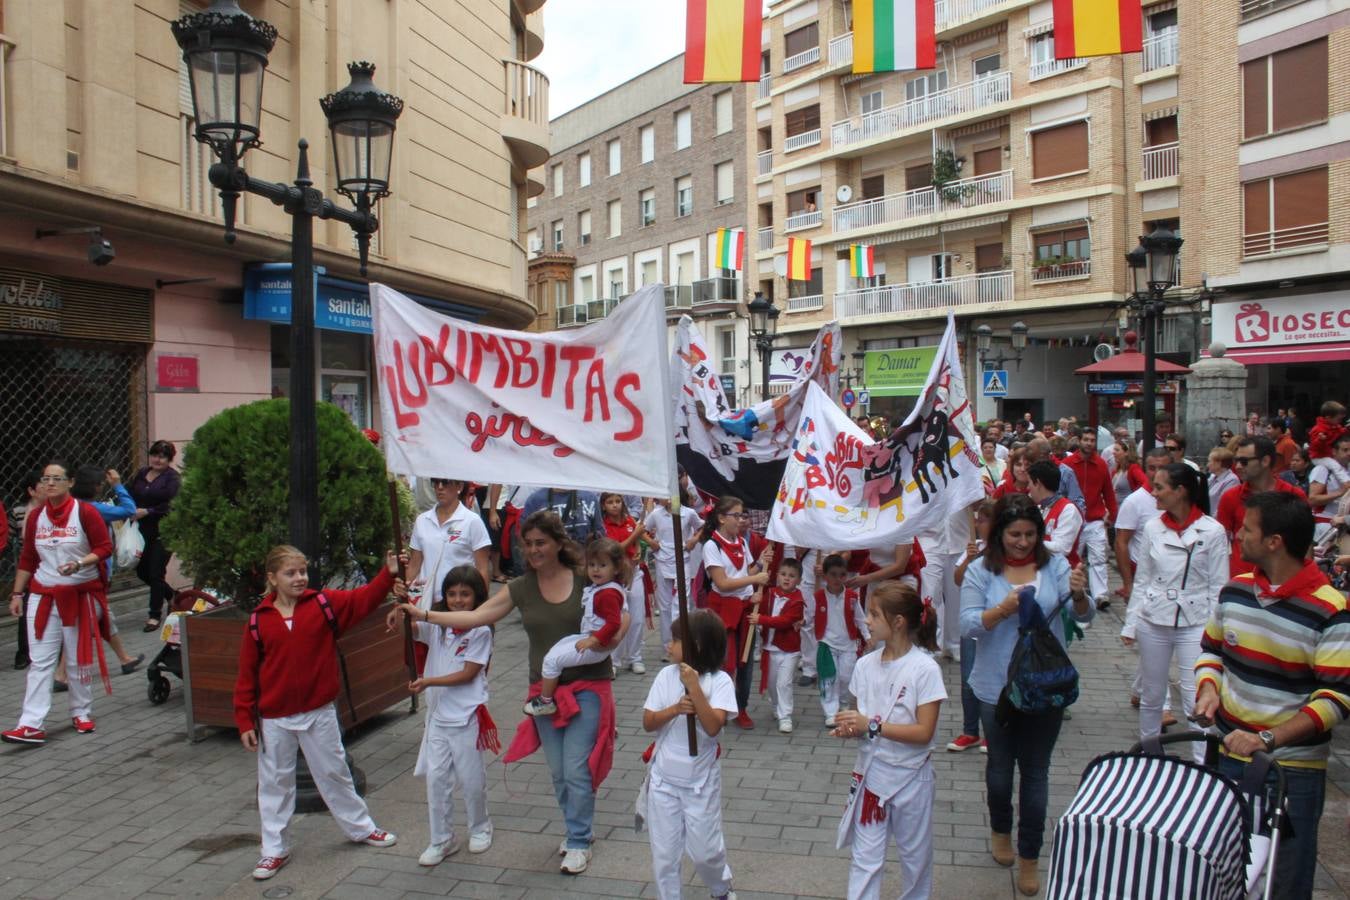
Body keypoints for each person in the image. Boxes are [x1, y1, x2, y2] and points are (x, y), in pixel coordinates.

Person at [406, 510, 627, 875]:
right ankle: (575, 826)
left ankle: (578, 838)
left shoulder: (587, 577)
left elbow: (622, 612)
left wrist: (615, 635)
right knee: (557, 771)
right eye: (528, 543)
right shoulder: (521, 587)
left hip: (589, 685)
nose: (534, 549)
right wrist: (424, 615)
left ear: (558, 543)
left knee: (575, 768)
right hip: (543, 691)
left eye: (541, 542)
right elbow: (476, 617)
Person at [1193, 492, 1350, 900]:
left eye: (1247, 529)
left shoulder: (1331, 610)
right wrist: (1209, 690)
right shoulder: (1236, 591)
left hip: (1293, 771)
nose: (1239, 535)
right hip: (1230, 756)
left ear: (1274, 541)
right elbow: (1212, 651)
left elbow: (1336, 699)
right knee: (1225, 868)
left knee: (1286, 877)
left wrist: (1266, 739)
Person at [234, 545, 400, 880]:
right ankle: (273, 850)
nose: (299, 578)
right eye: (290, 573)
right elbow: (247, 673)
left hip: (319, 711)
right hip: (275, 718)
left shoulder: (324, 604)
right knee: (275, 783)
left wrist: (389, 573)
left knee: (334, 771)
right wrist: (243, 719)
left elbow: (364, 599)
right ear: (272, 578)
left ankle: (361, 828)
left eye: (302, 572)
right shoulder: (258, 621)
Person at [959, 496, 1092, 897]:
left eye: (1030, 535)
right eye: (1015, 535)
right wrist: (1001, 610)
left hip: (1044, 685)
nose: (1022, 542)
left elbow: (1083, 616)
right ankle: (1001, 827)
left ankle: (1030, 855)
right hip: (995, 687)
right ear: (999, 533)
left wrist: (1081, 595)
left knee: (1036, 772)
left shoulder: (1055, 564)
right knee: (1000, 770)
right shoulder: (981, 571)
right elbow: (967, 626)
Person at [832, 581, 944, 900]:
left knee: (915, 858)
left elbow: (924, 733)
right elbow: (861, 720)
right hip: (872, 776)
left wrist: (872, 726)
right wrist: (849, 727)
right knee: (865, 860)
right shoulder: (865, 665)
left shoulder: (925, 669)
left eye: (874, 614)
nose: (866, 620)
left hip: (912, 779)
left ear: (898, 622)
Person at [1120, 464, 1228, 764]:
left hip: (1197, 621)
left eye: (1159, 487)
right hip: (1153, 618)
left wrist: (1215, 631)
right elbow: (1143, 579)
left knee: (1197, 694)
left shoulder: (1213, 530)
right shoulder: (1153, 527)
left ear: (1180, 491)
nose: (1153, 493)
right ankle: (1149, 754)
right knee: (1153, 694)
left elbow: (1218, 585)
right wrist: (1130, 624)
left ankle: (1202, 762)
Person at [3, 460, 113, 745]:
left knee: (77, 658)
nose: (49, 484)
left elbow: (104, 547)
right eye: (45, 479)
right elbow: (28, 558)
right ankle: (30, 724)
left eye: (56, 479)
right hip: (43, 595)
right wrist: (17, 594)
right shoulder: (37, 516)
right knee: (40, 662)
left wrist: (79, 563)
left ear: (71, 483)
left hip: (79, 595)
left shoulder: (85, 513)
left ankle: (81, 711)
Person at [639, 610, 737, 900]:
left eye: (676, 640)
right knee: (665, 856)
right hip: (663, 781)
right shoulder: (665, 676)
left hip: (700, 783)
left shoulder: (720, 682)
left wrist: (695, 689)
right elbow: (648, 722)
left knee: (706, 852)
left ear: (697, 645)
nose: (668, 646)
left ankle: (720, 887)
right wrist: (674, 709)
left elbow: (712, 726)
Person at [402, 565, 497, 865]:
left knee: (471, 779)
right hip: (439, 718)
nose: (457, 600)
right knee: (437, 779)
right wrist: (401, 608)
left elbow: (469, 674)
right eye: (452, 594)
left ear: (476, 597)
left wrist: (428, 681)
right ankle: (442, 839)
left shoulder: (481, 630)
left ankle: (480, 827)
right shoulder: (439, 625)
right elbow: (413, 628)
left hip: (467, 716)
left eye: (465, 594)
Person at [523, 538, 625, 717]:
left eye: (602, 565)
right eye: (592, 564)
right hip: (590, 638)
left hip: (596, 645)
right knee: (555, 650)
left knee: (551, 661)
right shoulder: (601, 588)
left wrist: (593, 640)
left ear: (616, 568)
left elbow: (614, 623)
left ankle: (546, 701)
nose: (595, 569)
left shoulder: (608, 593)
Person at [66, 465, 144, 677]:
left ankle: (124, 658)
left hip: (81, 571)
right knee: (81, 623)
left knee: (101, 618)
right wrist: (118, 485)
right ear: (96, 487)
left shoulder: (71, 506)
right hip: (93, 573)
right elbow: (129, 510)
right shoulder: (95, 509)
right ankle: (61, 674)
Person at [701, 496, 770, 729]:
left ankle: (741, 707)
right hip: (723, 611)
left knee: (746, 662)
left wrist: (761, 563)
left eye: (743, 515)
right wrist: (754, 578)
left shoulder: (740, 542)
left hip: (744, 608)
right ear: (721, 518)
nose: (741, 519)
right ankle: (719, 707)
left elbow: (745, 571)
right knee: (725, 662)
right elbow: (722, 583)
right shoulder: (712, 545)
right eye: (737, 515)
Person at [1217, 436, 1306, 577]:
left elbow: (1304, 543)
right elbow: (1220, 543)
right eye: (1236, 461)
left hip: (1283, 579)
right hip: (1241, 580)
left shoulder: (1294, 495)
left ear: (1265, 461)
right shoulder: (1230, 497)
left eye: (1244, 461)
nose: (1238, 466)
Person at [949, 499, 995, 752]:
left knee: (992, 678)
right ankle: (970, 731)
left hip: (994, 624)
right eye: (977, 519)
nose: (978, 524)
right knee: (968, 678)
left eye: (984, 519)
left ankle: (992, 731)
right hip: (971, 624)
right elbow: (957, 580)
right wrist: (968, 559)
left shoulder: (1003, 551)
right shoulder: (973, 548)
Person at [750, 556, 805, 733]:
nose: (786, 578)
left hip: (790, 650)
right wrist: (755, 599)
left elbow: (784, 621)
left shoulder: (798, 601)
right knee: (772, 683)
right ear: (777, 576)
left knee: (784, 683)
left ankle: (785, 715)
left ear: (799, 580)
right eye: (783, 574)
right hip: (770, 649)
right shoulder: (770, 593)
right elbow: (759, 606)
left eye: (791, 575)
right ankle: (776, 705)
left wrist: (761, 619)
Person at [130, 440, 181, 632]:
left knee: (155, 572)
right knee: (142, 572)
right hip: (141, 531)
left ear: (169, 460)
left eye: (162, 456)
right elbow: (131, 493)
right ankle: (173, 595)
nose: (157, 460)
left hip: (164, 531)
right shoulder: (142, 474)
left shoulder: (173, 479)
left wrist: (149, 511)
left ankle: (154, 615)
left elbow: (173, 505)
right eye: (155, 455)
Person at [643, 496, 703, 653]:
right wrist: (652, 543)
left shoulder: (688, 513)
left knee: (682, 603)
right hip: (663, 560)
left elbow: (703, 527)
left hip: (683, 559)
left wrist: (694, 540)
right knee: (665, 606)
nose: (665, 498)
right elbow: (641, 529)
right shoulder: (656, 514)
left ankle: (683, 643)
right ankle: (667, 645)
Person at [816, 554, 870, 727]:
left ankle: (844, 703)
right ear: (824, 576)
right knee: (830, 678)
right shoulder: (818, 597)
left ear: (846, 575)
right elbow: (808, 617)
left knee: (847, 676)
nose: (837, 579)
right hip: (827, 643)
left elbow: (860, 619)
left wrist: (868, 637)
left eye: (842, 574)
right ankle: (830, 712)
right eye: (833, 574)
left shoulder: (852, 597)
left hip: (848, 644)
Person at [1064, 430, 1116, 608]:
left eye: (1092, 440)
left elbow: (1108, 492)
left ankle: (1100, 594)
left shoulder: (1101, 465)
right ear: (1079, 441)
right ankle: (1069, 590)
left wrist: (1112, 514)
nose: (1089, 443)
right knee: (1073, 557)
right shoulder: (1068, 464)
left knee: (1099, 558)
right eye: (1086, 440)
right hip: (1073, 520)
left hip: (1095, 519)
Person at [599, 492, 648, 675]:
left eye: (618, 501)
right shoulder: (603, 525)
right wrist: (634, 535)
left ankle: (635, 657)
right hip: (615, 578)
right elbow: (613, 549)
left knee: (636, 619)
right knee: (615, 620)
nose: (614, 505)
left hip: (633, 575)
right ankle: (613, 660)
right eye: (610, 502)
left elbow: (637, 544)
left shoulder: (629, 522)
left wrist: (637, 551)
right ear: (603, 505)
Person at [10, 469, 46, 670]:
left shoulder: (53, 511)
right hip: (28, 566)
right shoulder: (19, 512)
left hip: (47, 566)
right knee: (24, 607)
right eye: (42, 484)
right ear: (32, 491)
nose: (48, 487)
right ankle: (23, 652)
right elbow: (15, 539)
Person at [520, 487, 602, 546]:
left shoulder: (589, 497)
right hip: (549, 563)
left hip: (583, 562)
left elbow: (599, 532)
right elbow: (525, 537)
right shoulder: (535, 500)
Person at [1307, 433, 1350, 532]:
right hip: (1325, 522)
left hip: (1345, 522)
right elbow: (1312, 500)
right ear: (1334, 451)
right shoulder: (1322, 469)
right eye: (1345, 450)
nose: (1349, 453)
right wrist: (1340, 492)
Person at [1307, 400, 1348, 483]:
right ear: (1328, 417)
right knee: (1336, 466)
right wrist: (1320, 440)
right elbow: (1313, 446)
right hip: (1319, 456)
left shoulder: (1334, 426)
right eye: (1338, 419)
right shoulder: (1318, 429)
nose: (1340, 421)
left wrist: (1347, 429)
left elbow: (1341, 432)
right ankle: (1347, 482)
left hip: (1328, 454)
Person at [1110, 442, 1146, 510]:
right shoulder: (1115, 471)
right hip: (1115, 510)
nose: (1113, 452)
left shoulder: (1133, 468)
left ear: (1126, 452)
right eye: (1114, 450)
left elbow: (1144, 483)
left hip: (1127, 509)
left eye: (1117, 450)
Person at [1207, 447, 1238, 514]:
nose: (1207, 464)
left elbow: (1224, 506)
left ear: (1219, 463)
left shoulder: (1232, 480)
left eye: (1209, 461)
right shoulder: (1212, 477)